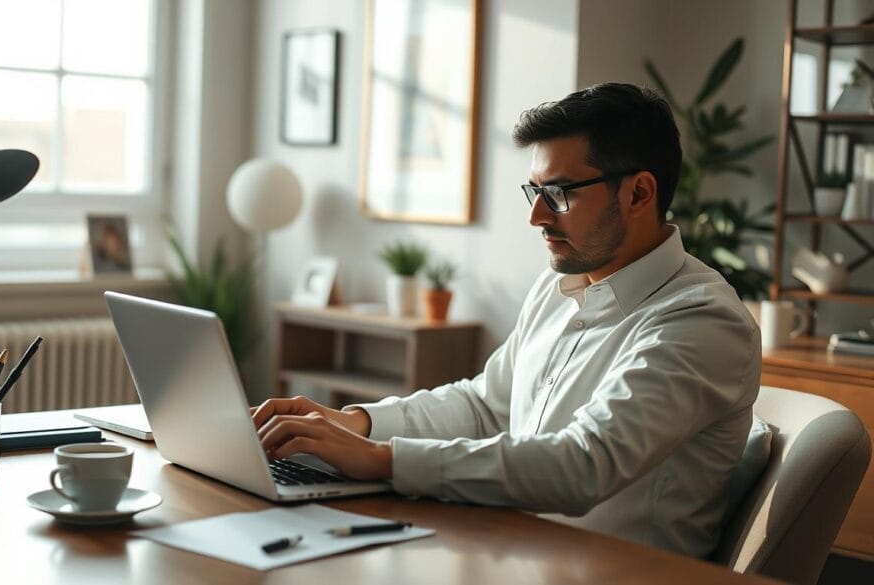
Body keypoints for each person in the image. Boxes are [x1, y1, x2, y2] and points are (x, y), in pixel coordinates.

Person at [252, 83, 761, 558]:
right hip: (510, 551)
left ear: (639, 193)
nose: (536, 217)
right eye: (533, 191)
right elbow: (485, 406)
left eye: (560, 193)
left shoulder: (701, 320)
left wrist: (382, 458)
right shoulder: (559, 286)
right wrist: (354, 423)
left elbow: (584, 463)